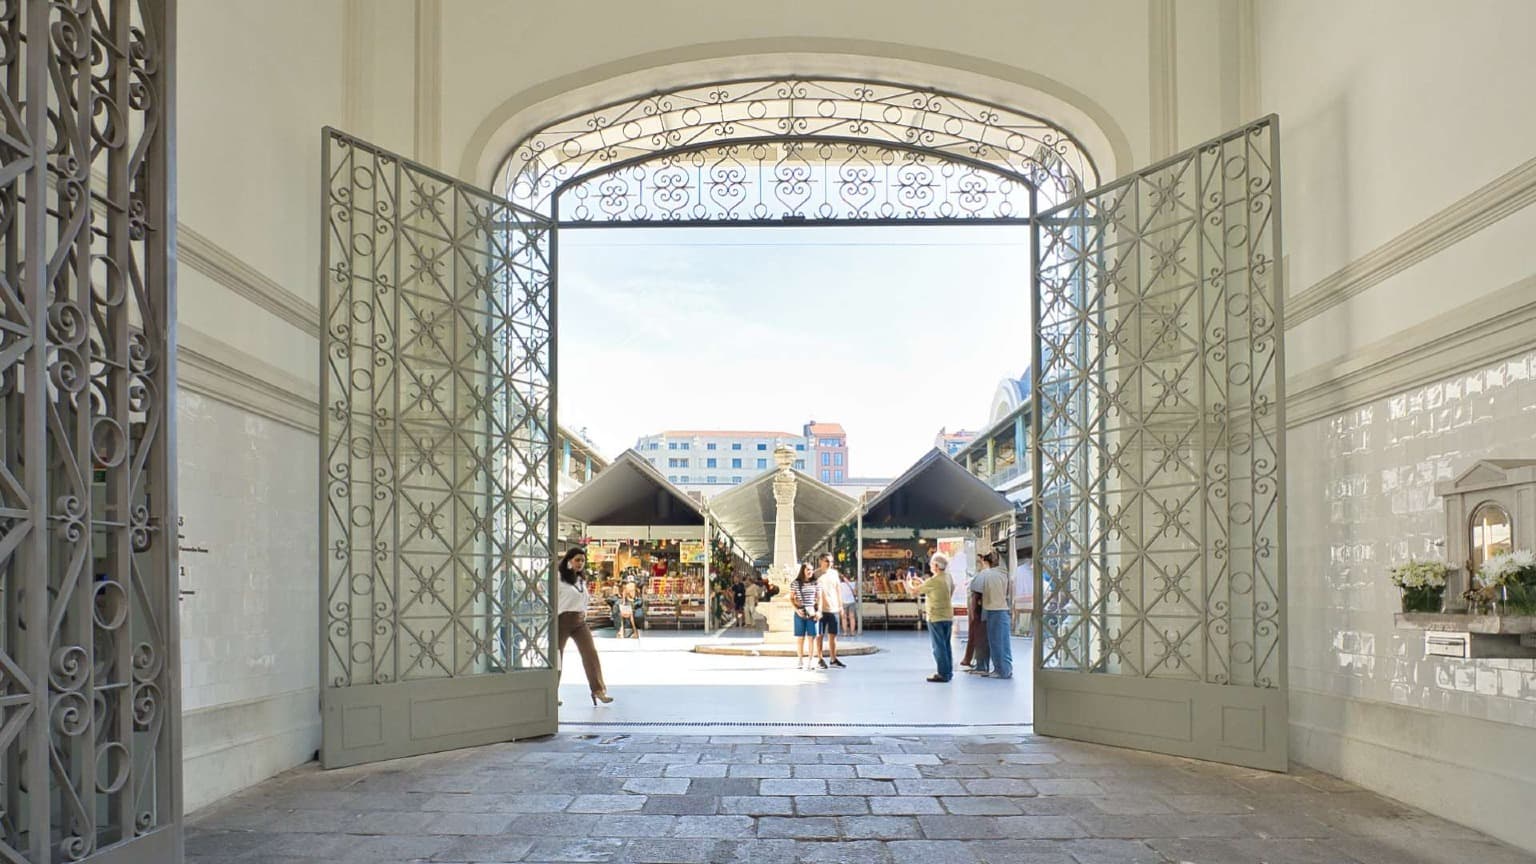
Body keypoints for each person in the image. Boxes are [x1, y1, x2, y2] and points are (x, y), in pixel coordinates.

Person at [556, 548, 614, 705]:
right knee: (557, 656)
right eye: (577, 560)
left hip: (580, 621)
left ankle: (598, 690)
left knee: (590, 654)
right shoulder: (558, 577)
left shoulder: (581, 579)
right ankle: (552, 691)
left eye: (582, 560)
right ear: (569, 561)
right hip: (562, 619)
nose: (580, 563)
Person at [972, 549, 1013, 679]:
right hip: (1003, 609)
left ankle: (1000, 671)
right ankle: (1006, 668)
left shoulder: (986, 574)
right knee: (1004, 642)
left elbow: (975, 588)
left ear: (985, 561)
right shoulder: (1004, 573)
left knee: (995, 642)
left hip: (992, 610)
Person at [917, 552, 956, 682]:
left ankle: (943, 674)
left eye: (931, 563)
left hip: (935, 617)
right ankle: (948, 672)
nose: (929, 565)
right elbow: (952, 588)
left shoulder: (933, 581)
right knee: (946, 645)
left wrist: (908, 581)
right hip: (948, 615)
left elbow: (914, 591)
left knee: (938, 646)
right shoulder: (947, 577)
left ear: (936, 565)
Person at [813, 553, 845, 669]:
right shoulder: (815, 574)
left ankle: (833, 658)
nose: (829, 563)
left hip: (834, 608)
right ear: (821, 561)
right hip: (820, 609)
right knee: (819, 635)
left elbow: (838, 590)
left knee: (833, 635)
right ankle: (820, 658)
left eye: (831, 561)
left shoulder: (834, 574)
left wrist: (841, 606)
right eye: (827, 561)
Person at [961, 552, 991, 673]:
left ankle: (976, 662)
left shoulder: (981, 576)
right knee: (976, 636)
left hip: (977, 610)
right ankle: (973, 661)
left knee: (976, 636)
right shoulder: (982, 575)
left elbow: (974, 595)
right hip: (978, 609)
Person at [789, 562, 821, 671]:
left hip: (812, 613)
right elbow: (791, 598)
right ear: (803, 570)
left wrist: (818, 612)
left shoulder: (815, 583)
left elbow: (819, 598)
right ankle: (800, 659)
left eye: (811, 570)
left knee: (811, 637)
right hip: (800, 613)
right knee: (800, 638)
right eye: (808, 569)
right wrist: (796, 610)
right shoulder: (795, 583)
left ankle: (811, 660)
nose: (810, 572)